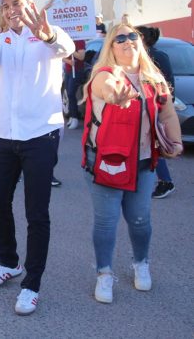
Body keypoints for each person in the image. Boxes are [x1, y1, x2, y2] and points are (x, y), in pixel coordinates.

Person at [0, 0, 75, 315]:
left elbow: (65, 47)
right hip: (5, 134)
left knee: (36, 212)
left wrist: (46, 35)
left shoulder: (49, 34)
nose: (12, 9)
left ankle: (32, 284)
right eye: (6, 5)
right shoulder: (3, 40)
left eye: (17, 3)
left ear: (31, 5)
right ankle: (9, 262)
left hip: (41, 135)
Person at [80, 23, 182, 304]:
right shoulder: (105, 74)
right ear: (110, 47)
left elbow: (168, 115)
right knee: (106, 222)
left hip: (143, 162)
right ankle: (104, 273)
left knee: (140, 220)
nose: (127, 41)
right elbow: (107, 89)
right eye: (119, 38)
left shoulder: (154, 79)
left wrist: (175, 142)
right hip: (105, 162)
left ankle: (141, 263)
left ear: (141, 42)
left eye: (132, 36)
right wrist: (117, 96)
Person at [137, 25, 177, 199]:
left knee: (153, 142)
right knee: (152, 142)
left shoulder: (149, 58)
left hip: (154, 106)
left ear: (142, 40)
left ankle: (165, 181)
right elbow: (170, 83)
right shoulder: (159, 55)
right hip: (158, 105)